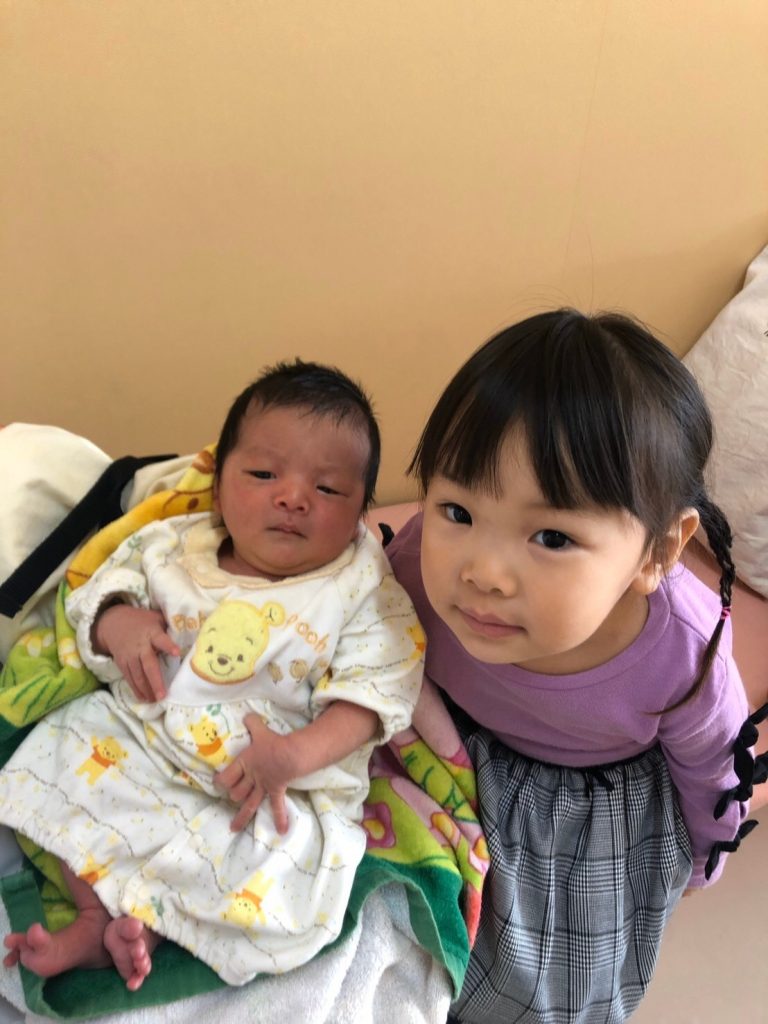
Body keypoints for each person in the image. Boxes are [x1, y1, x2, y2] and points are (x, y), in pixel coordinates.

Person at [0, 360, 424, 992]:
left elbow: (377, 691)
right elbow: (98, 587)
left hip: (264, 779)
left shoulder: (360, 584)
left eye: (329, 489)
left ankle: (154, 922)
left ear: (362, 510)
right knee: (63, 745)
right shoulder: (174, 543)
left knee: (284, 859)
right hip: (146, 738)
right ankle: (94, 915)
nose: (293, 498)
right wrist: (118, 622)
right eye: (263, 474)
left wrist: (296, 756)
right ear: (218, 481)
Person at [386, 309, 757, 1023]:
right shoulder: (407, 567)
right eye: (457, 511)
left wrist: (703, 858)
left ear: (658, 552)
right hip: (448, 758)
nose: (482, 573)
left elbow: (715, 767)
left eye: (552, 537)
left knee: (547, 992)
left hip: (585, 819)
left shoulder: (682, 646)